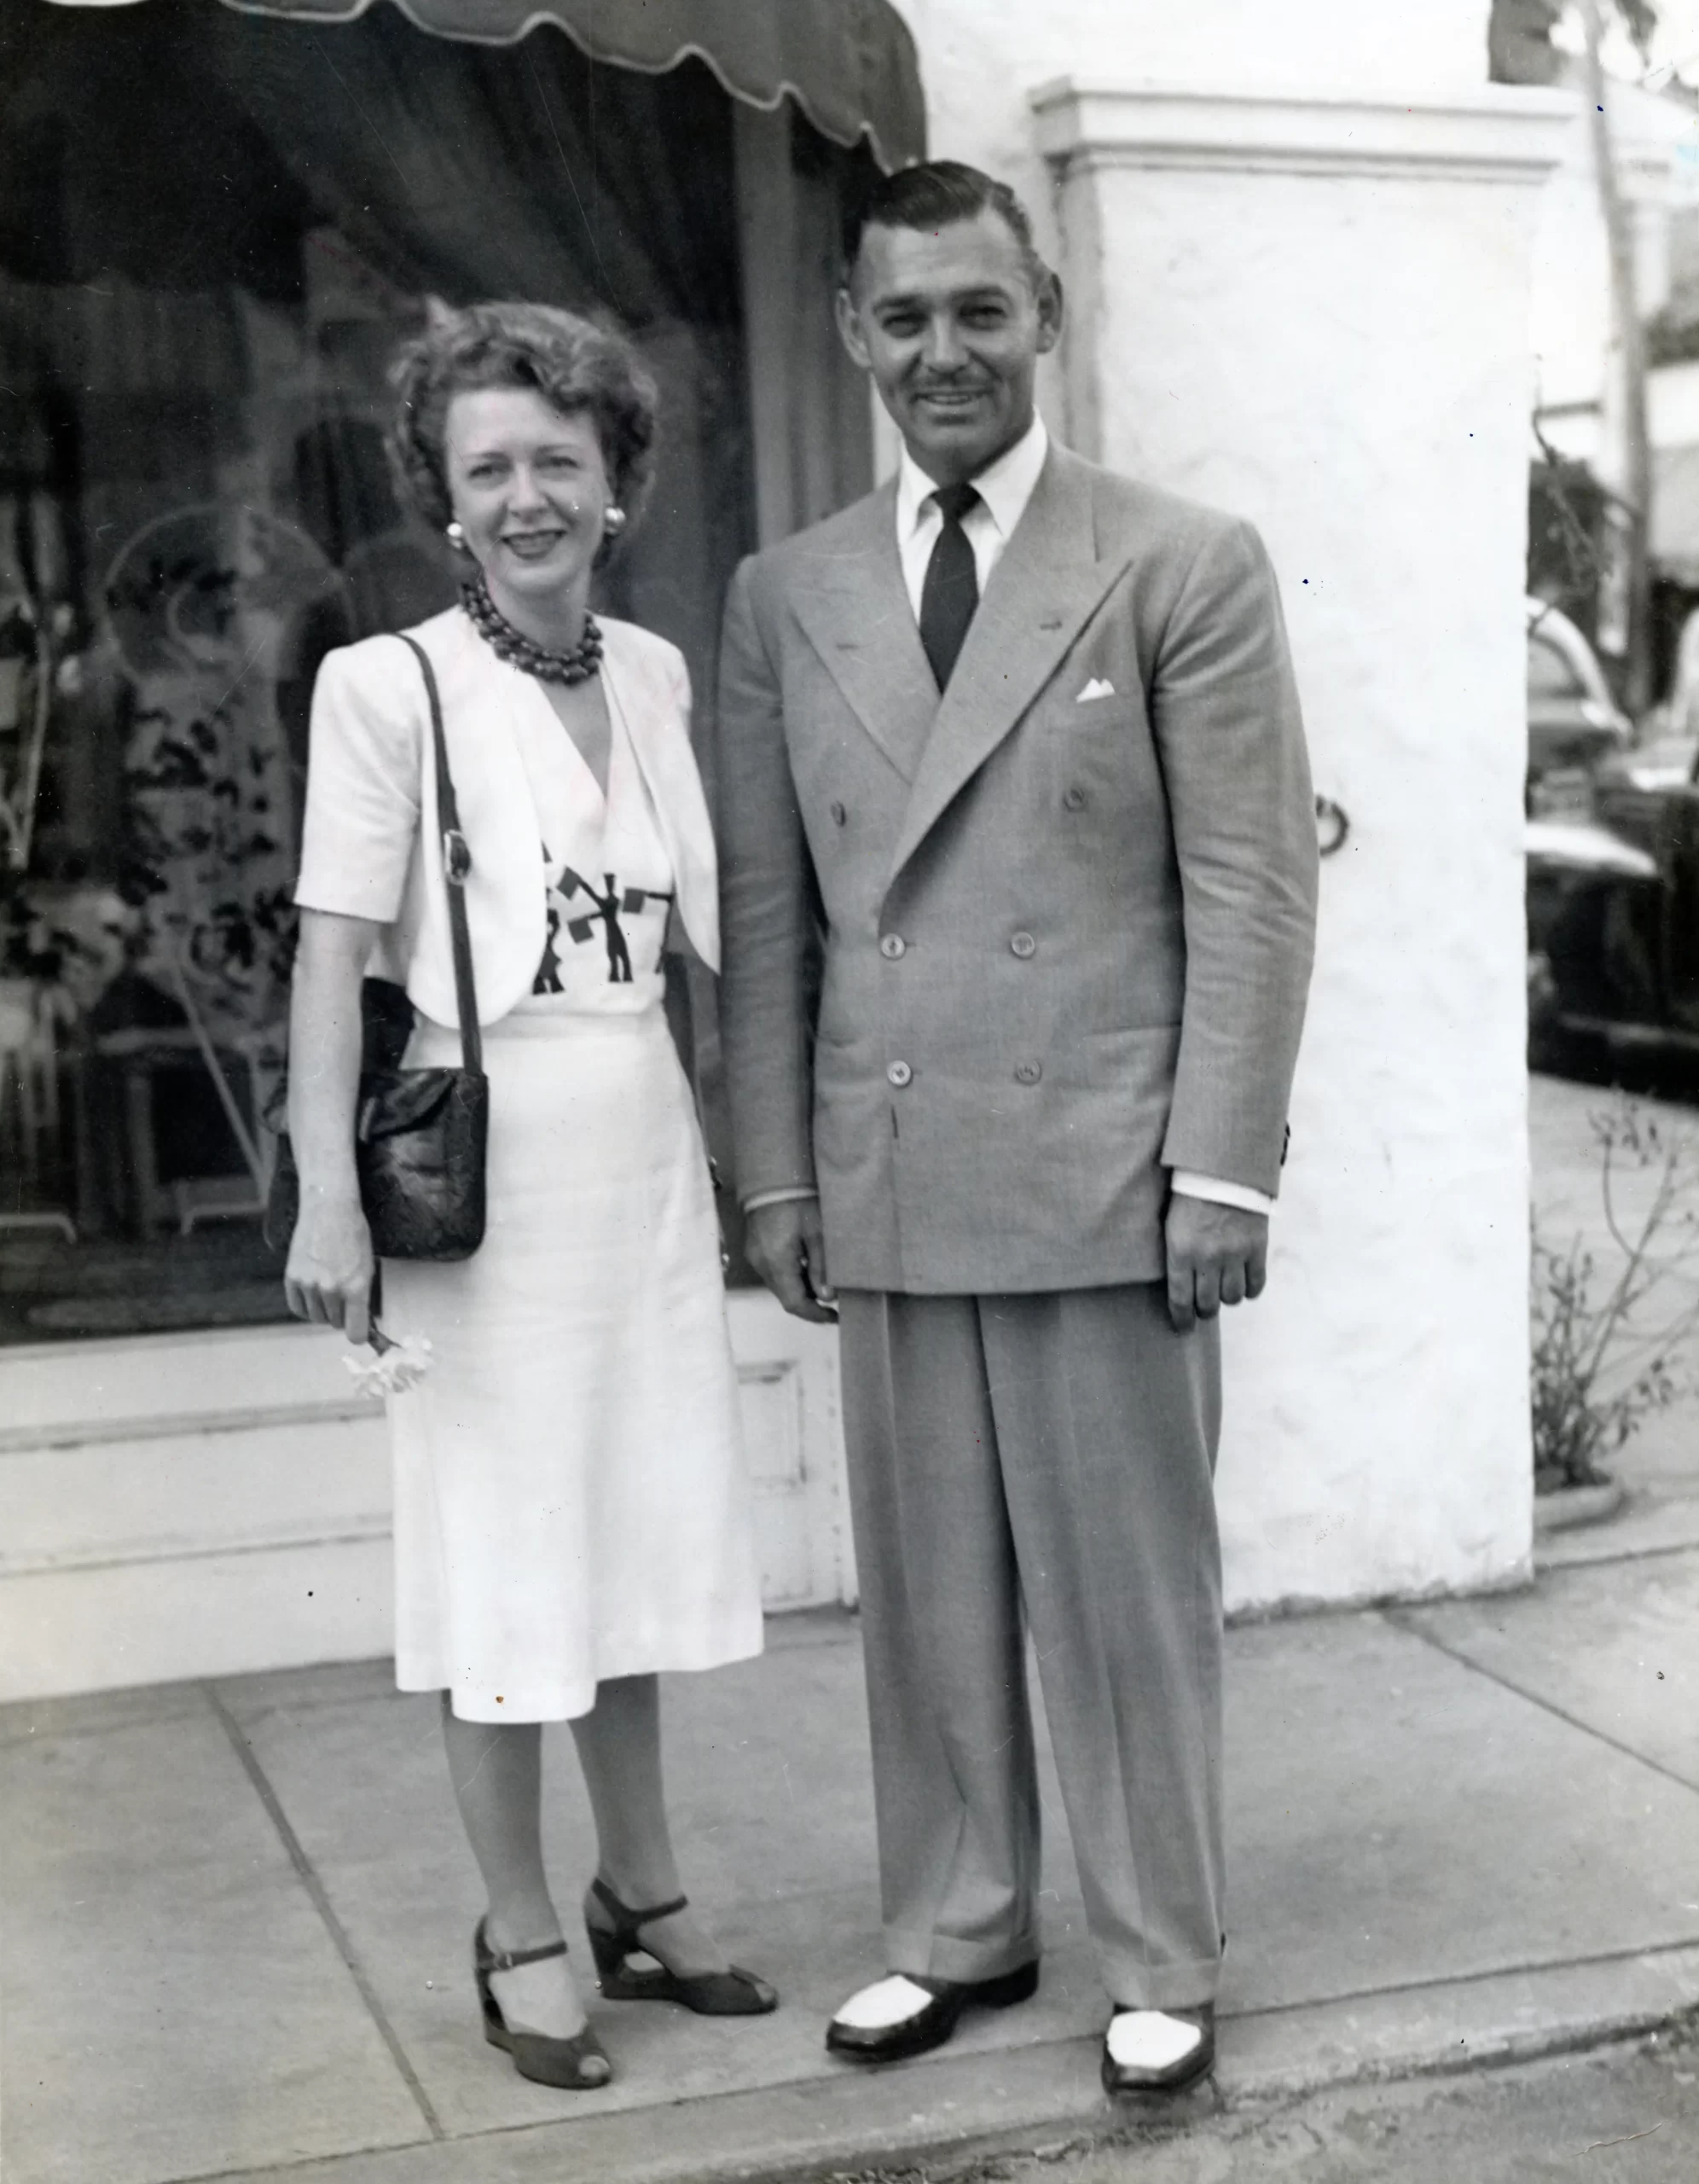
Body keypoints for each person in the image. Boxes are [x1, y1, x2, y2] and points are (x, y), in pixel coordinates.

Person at [714, 163, 1318, 2098]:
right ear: (850, 335)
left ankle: (1161, 1940)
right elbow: (765, 911)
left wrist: (1221, 1163)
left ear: (1042, 313)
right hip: (887, 1171)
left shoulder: (1178, 558)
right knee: (930, 1590)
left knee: (1126, 1598)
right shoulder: (782, 590)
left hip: (1107, 1173)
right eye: (904, 318)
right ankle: (958, 1921)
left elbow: (1252, 894)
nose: (943, 352)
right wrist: (778, 1172)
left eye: (980, 311)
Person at [283, 300, 774, 2093]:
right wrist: (324, 1193)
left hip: (634, 1140)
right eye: (487, 465)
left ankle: (642, 1888)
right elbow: (334, 958)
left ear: (618, 479)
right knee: (500, 1559)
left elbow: (715, 932)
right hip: (472, 1174)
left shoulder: (646, 670)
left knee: (628, 1536)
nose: (524, 495)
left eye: (558, 460)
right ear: (441, 490)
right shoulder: (387, 684)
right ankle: (518, 1927)